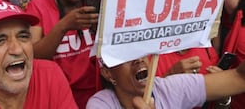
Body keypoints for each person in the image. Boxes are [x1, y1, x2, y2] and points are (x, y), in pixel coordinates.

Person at [25, 0, 99, 108]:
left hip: (96, 95)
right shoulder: (39, 6)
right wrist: (63, 26)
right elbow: (31, 56)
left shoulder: (96, 1)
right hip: (57, 96)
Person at [86, 55, 245, 109]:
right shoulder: (99, 104)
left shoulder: (169, 88)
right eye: (126, 57)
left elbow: (239, 78)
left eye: (140, 50)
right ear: (107, 73)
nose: (138, 59)